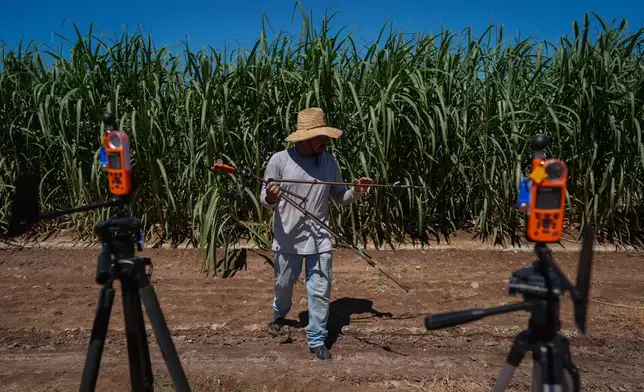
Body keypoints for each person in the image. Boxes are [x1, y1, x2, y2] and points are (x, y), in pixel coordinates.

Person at [260, 107, 373, 361]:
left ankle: (317, 339)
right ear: (305, 139)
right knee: (283, 285)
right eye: (320, 136)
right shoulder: (279, 161)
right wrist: (270, 196)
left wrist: (356, 191)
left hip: (320, 238)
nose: (325, 141)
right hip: (288, 238)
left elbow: (339, 196)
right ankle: (279, 312)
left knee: (320, 290)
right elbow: (264, 199)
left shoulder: (329, 162)